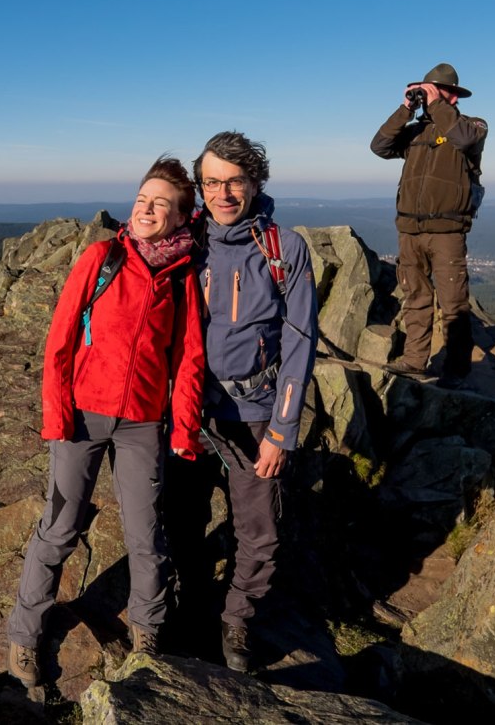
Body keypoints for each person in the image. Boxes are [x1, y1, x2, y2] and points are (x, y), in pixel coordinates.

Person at [6, 158, 206, 688]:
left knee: (147, 534)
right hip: (82, 415)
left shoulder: (181, 276)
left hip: (143, 421)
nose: (146, 208)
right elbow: (61, 339)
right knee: (60, 528)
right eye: (143, 198)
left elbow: (188, 358)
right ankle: (25, 634)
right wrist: (57, 415)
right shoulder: (102, 257)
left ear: (183, 217)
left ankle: (148, 632)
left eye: (161, 203)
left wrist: (183, 429)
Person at [165, 131, 318, 673]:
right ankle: (187, 608)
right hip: (189, 412)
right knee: (182, 521)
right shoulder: (187, 239)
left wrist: (282, 429)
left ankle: (237, 621)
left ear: (255, 183)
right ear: (200, 186)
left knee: (259, 530)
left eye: (234, 181)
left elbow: (300, 341)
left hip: (254, 414)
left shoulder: (284, 249)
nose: (223, 193)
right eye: (211, 182)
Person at [369, 62, 488, 387]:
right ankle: (414, 361)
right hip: (409, 230)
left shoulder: (472, 126)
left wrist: (435, 103)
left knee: (453, 305)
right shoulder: (415, 132)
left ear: (451, 95)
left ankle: (456, 370)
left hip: (447, 232)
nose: (428, 96)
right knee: (416, 298)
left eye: (436, 90)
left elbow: (464, 140)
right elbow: (379, 146)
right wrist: (405, 108)